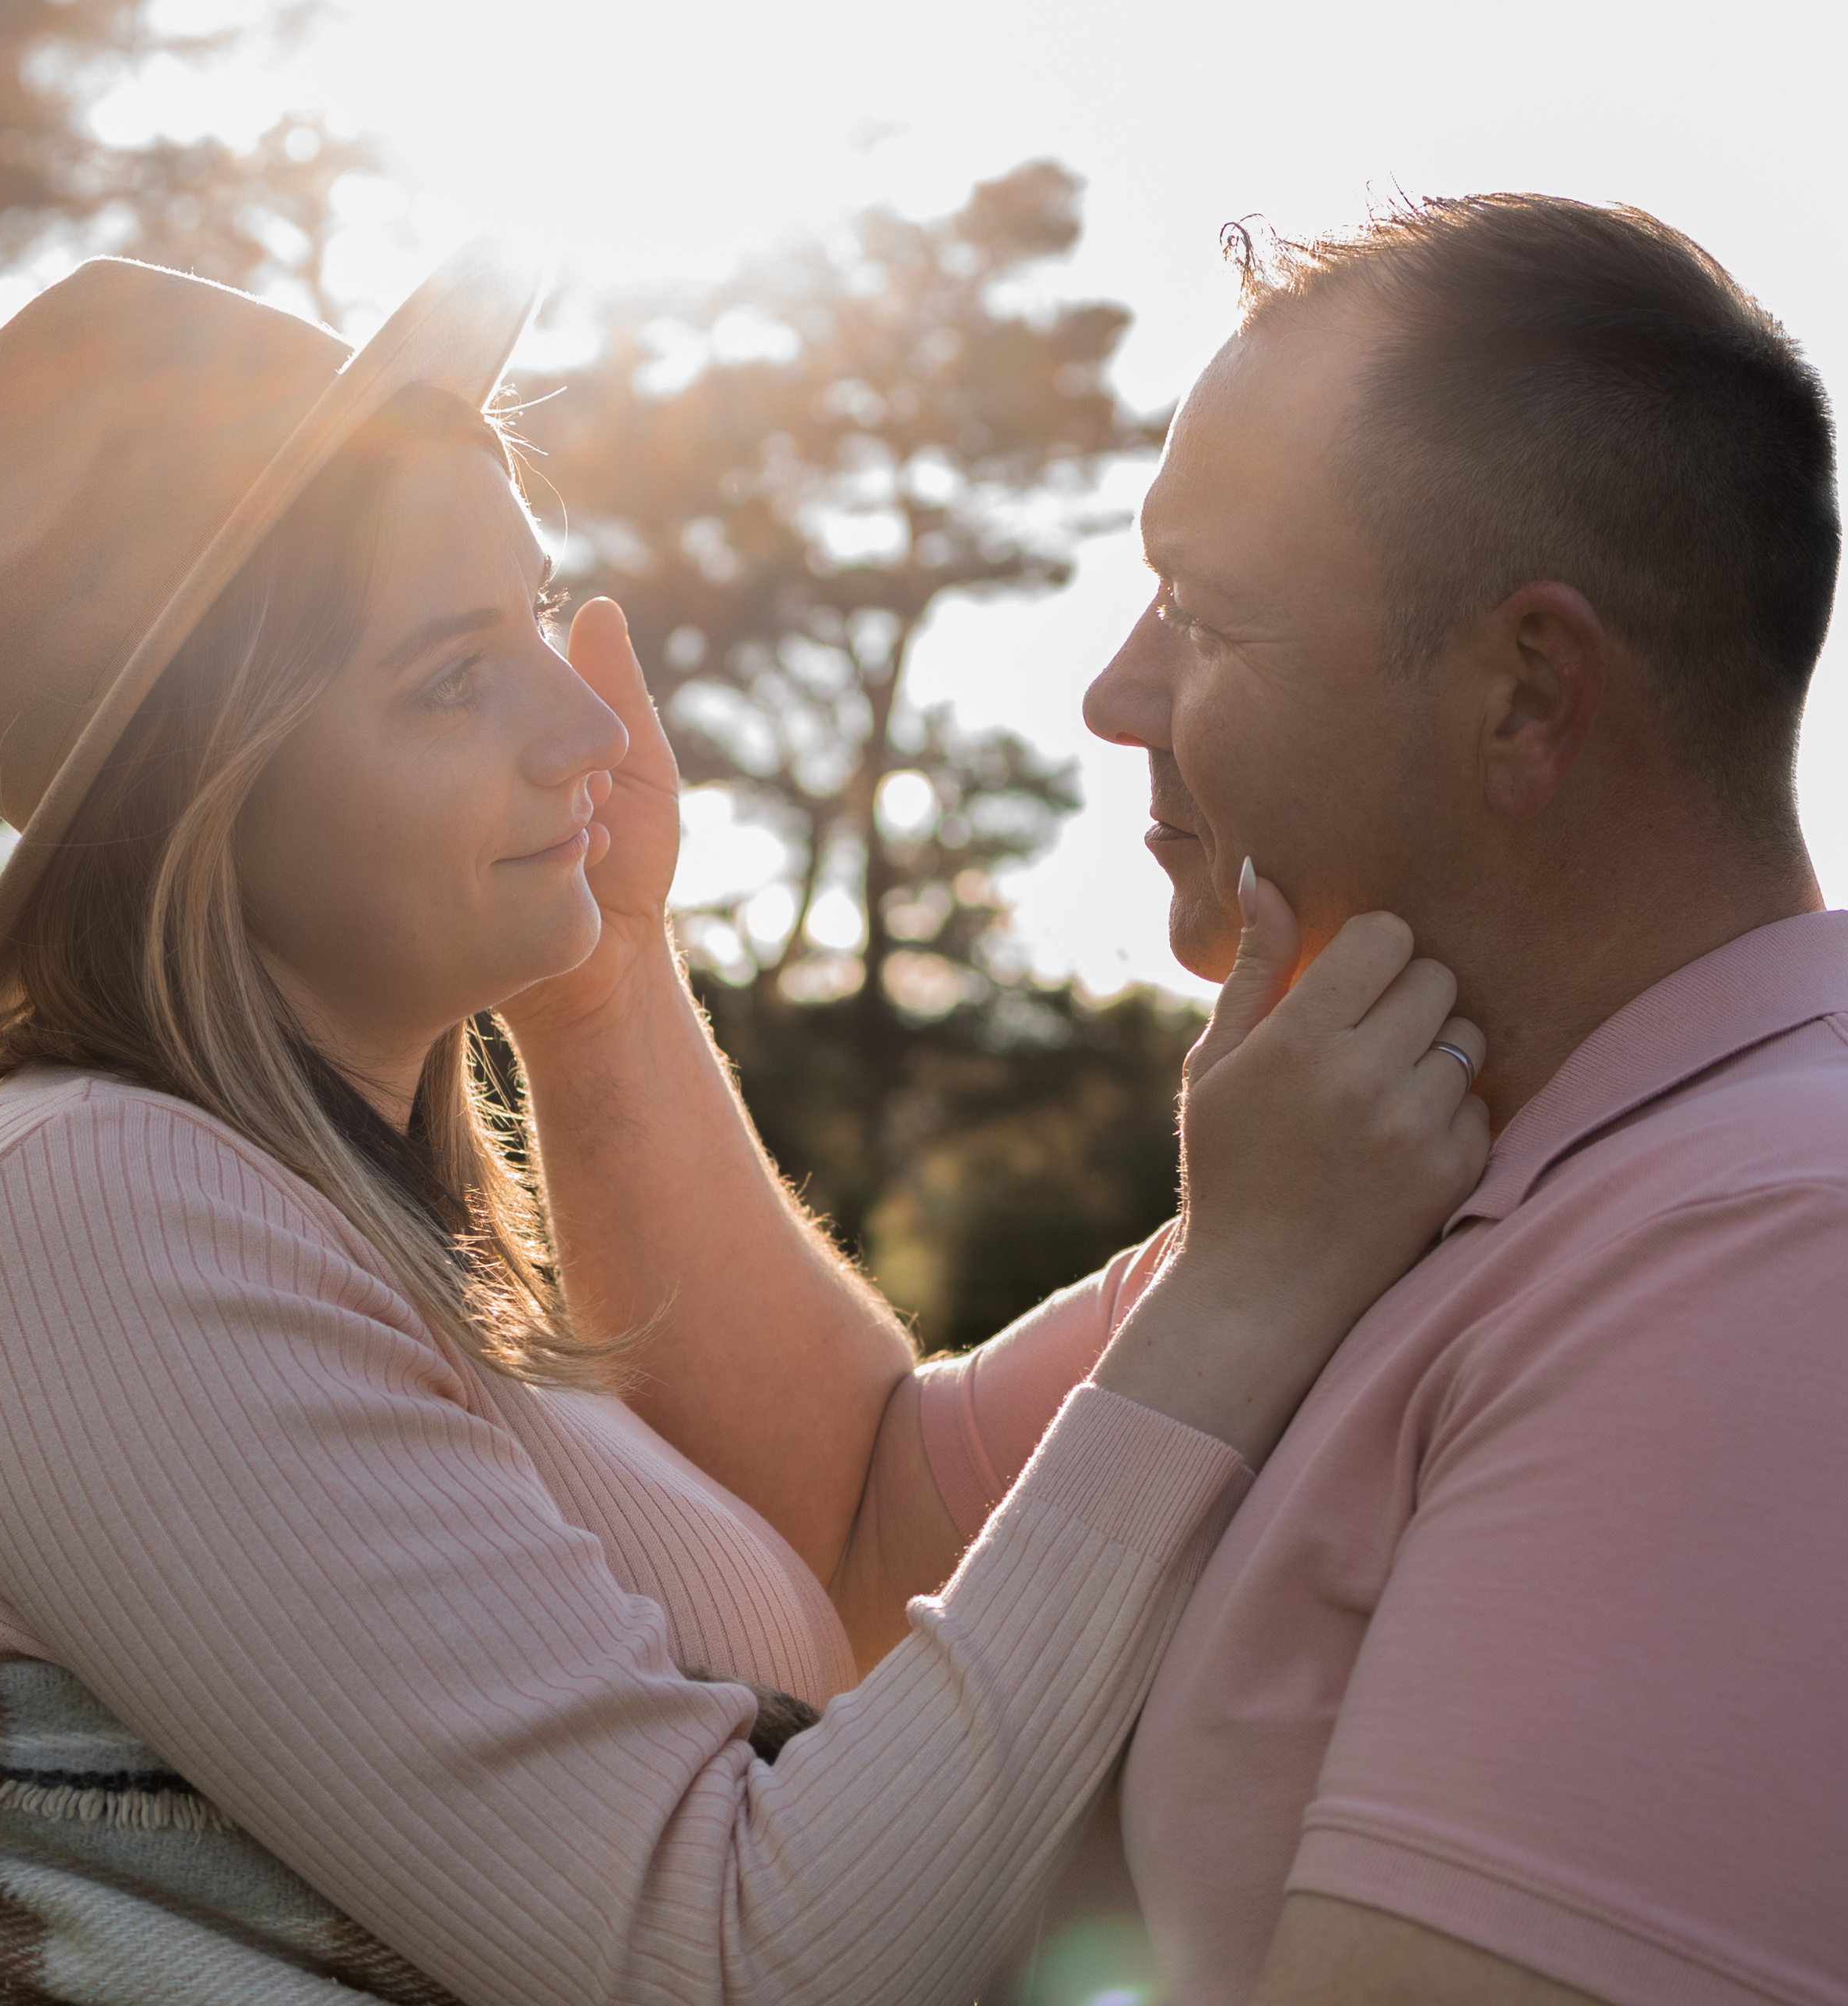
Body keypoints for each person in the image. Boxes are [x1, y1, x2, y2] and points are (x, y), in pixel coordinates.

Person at [0, 244, 1489, 2004]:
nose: (588, 726)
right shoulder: (82, 1208)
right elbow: (728, 1957)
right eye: (449, 678)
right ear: (205, 803)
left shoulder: (378, 1259)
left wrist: (602, 963)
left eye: (541, 616)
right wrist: (1239, 1290)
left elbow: (853, 1554)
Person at [535, 195, 1848, 2006]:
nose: (1110, 692)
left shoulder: (1760, 1267)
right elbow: (854, 1524)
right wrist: (595, 972)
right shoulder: (1376, 1176)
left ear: (1524, 694)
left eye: (1209, 617)